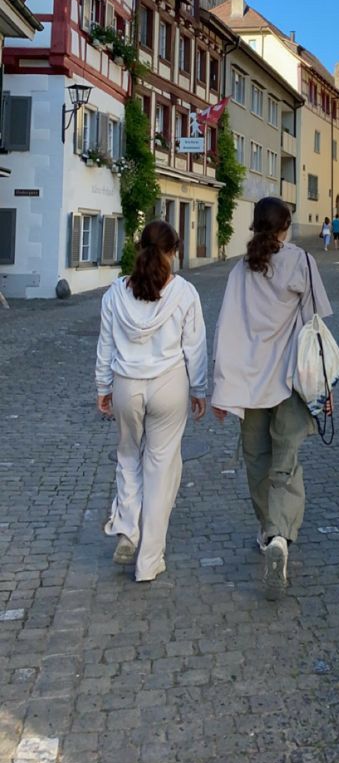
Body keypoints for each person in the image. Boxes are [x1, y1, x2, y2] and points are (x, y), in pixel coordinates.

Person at [211, 197, 332, 599]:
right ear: (286, 227)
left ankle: (268, 531)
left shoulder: (241, 269)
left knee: (256, 461)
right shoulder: (302, 262)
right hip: (291, 380)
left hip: (249, 384)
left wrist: (221, 389)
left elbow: (226, 328)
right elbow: (315, 326)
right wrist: (323, 387)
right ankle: (280, 536)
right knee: (286, 462)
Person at [95, 220, 207, 582]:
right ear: (173, 252)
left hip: (128, 384)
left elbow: (106, 346)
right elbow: (196, 347)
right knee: (161, 468)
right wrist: (199, 390)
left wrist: (103, 387)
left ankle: (128, 527)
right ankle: (149, 560)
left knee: (128, 456)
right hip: (169, 384)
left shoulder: (115, 294)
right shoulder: (185, 293)